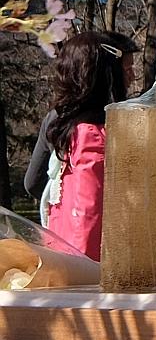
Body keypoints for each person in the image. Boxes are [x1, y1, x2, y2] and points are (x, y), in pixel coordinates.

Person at [25, 31, 135, 236]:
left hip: (62, 241)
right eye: (126, 69)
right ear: (105, 74)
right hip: (105, 248)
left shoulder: (56, 120)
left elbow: (32, 182)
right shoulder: (113, 129)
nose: (132, 76)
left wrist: (64, 201)